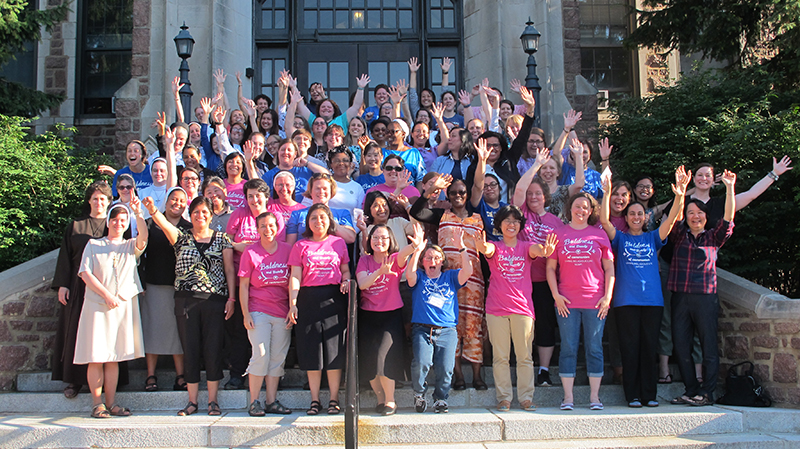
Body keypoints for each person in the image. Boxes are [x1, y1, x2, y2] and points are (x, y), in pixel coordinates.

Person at [600, 167, 690, 407]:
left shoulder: (653, 237)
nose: (636, 217)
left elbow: (671, 220)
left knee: (649, 347)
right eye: (632, 214)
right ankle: (633, 396)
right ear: (627, 218)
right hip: (625, 301)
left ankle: (649, 395)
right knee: (630, 348)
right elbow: (604, 220)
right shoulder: (619, 238)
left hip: (652, 301)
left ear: (646, 216)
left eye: (640, 213)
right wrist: (607, 193)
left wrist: (680, 194)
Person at [143, 196, 236, 417]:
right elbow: (163, 224)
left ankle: (213, 401)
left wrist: (232, 298)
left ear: (211, 216)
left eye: (205, 212)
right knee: (191, 350)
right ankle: (192, 401)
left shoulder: (222, 239)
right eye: (196, 212)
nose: (200, 216)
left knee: (213, 350)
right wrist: (153, 210)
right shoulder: (181, 238)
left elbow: (230, 270)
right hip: (185, 301)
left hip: (214, 300)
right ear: (190, 215)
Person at [472, 205, 557, 412]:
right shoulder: (495, 246)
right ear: (500, 225)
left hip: (523, 309)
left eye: (516, 221)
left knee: (524, 356)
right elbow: (488, 250)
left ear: (520, 225)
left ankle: (526, 397)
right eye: (507, 221)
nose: (512, 224)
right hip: (496, 308)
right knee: (500, 357)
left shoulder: (527, 246)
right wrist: (482, 247)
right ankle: (504, 398)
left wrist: (545, 251)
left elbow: (537, 250)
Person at [409, 174, 487, 391]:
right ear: (448, 195)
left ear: (468, 194)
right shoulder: (441, 216)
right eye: (453, 193)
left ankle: (478, 375)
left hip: (473, 280)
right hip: (446, 282)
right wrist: (431, 188)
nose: (458, 196)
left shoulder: (479, 219)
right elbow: (416, 212)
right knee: (451, 325)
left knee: (473, 325)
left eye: (462, 192)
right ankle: (458, 375)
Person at [669, 170, 737, 407]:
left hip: (705, 297)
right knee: (681, 345)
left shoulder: (713, 238)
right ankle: (691, 389)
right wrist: (680, 193)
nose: (694, 216)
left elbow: (728, 217)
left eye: (699, 213)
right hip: (680, 296)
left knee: (708, 345)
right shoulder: (678, 236)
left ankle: (707, 392)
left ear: (706, 217)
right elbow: (674, 219)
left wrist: (729, 188)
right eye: (691, 213)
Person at [74, 200, 147, 418]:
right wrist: (106, 295)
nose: (118, 223)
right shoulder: (93, 245)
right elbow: (85, 273)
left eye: (123, 220)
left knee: (114, 356)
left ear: (127, 224)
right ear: (108, 221)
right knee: (96, 356)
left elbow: (144, 237)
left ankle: (112, 402)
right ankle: (97, 404)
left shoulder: (130, 246)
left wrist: (138, 213)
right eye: (114, 219)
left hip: (121, 306)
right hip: (97, 306)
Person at [546, 192, 615, 411]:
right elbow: (550, 268)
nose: (581, 210)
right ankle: (568, 398)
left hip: (595, 301)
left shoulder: (599, 235)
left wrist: (607, 296)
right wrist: (556, 295)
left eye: (586, 207)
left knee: (594, 348)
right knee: (568, 348)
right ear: (570, 209)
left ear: (591, 211)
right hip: (566, 301)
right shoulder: (558, 234)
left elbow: (609, 268)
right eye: (577, 206)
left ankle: (595, 397)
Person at [52, 181, 118, 399]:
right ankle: (74, 380)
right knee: (78, 333)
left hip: (107, 287)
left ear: (109, 202)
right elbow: (65, 258)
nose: (99, 202)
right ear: (89, 200)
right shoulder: (76, 226)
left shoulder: (115, 225)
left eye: (103, 199)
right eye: (95, 198)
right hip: (79, 287)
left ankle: (110, 383)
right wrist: (63, 284)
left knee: (106, 335)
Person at [286, 204, 352, 415]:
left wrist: (346, 280)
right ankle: (315, 400)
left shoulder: (338, 243)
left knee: (334, 350)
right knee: (311, 349)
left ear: (330, 220)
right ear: (308, 222)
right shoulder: (301, 245)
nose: (318, 221)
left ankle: (334, 399)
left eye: (322, 217)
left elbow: (345, 270)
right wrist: (293, 303)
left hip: (334, 298)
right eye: (313, 218)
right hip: (308, 299)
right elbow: (295, 276)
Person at [512, 147, 567, 387]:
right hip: (521, 280)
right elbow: (520, 189)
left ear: (546, 197)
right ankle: (524, 366)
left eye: (538, 194)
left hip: (546, 281)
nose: (533, 197)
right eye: (531, 194)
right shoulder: (521, 214)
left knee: (545, 324)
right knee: (523, 326)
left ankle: (544, 370)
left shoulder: (556, 222)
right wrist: (536, 165)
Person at [225, 179, 286, 389]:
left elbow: (277, 244)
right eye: (249, 195)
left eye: (257, 195)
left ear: (266, 197)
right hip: (241, 276)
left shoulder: (274, 216)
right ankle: (237, 373)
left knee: (271, 336)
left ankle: (274, 377)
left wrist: (249, 248)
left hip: (270, 278)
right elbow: (227, 242)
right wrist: (242, 246)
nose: (253, 199)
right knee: (242, 328)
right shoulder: (238, 214)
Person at [357, 223, 422, 415]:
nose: (379, 241)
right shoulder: (364, 261)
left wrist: (415, 245)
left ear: (390, 240)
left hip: (390, 316)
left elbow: (404, 253)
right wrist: (379, 272)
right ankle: (380, 399)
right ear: (369, 240)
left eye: (384, 237)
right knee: (370, 361)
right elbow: (362, 284)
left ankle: (391, 401)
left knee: (384, 358)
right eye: (375, 237)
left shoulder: (394, 258)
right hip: (368, 316)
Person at [406, 228, 473, 413]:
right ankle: (419, 395)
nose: (432, 261)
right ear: (423, 262)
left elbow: (468, 271)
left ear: (442, 261)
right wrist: (418, 250)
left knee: (446, 367)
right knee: (422, 362)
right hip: (422, 329)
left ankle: (441, 399)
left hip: (446, 330)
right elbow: (409, 276)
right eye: (428, 258)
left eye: (436, 257)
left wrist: (462, 248)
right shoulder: (419, 277)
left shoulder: (450, 276)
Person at [239, 212, 293, 416]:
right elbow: (243, 286)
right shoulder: (250, 252)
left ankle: (271, 401)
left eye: (271, 225)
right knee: (260, 355)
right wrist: (245, 314)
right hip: (258, 310)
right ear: (257, 228)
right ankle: (254, 401)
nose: (268, 229)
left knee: (277, 357)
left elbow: (293, 280)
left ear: (278, 227)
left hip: (282, 311)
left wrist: (292, 307)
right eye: (263, 226)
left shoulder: (287, 250)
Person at [141, 187, 190, 393]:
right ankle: (150, 375)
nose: (176, 203)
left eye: (181, 200)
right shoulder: (150, 224)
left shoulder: (189, 227)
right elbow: (139, 252)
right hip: (154, 285)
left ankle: (181, 375)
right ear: (166, 200)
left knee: (177, 334)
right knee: (152, 330)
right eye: (173, 199)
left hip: (178, 287)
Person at [286, 173, 357, 245]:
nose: (321, 192)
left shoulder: (342, 213)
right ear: (310, 191)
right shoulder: (297, 214)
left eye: (325, 188)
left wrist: (330, 223)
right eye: (317, 188)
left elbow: (351, 238)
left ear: (331, 191)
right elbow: (290, 245)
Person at [365, 155, 421, 219]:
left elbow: (418, 216)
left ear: (402, 170)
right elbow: (367, 216)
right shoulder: (373, 191)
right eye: (389, 168)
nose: (393, 171)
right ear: (383, 170)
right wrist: (398, 189)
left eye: (397, 169)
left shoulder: (413, 191)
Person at [383, 119, 426, 187]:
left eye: (393, 131)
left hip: (409, 194)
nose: (389, 134)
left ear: (403, 134)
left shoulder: (413, 153)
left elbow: (420, 178)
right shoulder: (381, 152)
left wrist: (417, 196)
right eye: (387, 132)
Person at [328, 146, 366, 212]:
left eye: (345, 160)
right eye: (337, 161)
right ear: (331, 164)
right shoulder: (323, 183)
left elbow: (360, 213)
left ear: (351, 164)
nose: (341, 163)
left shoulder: (357, 187)